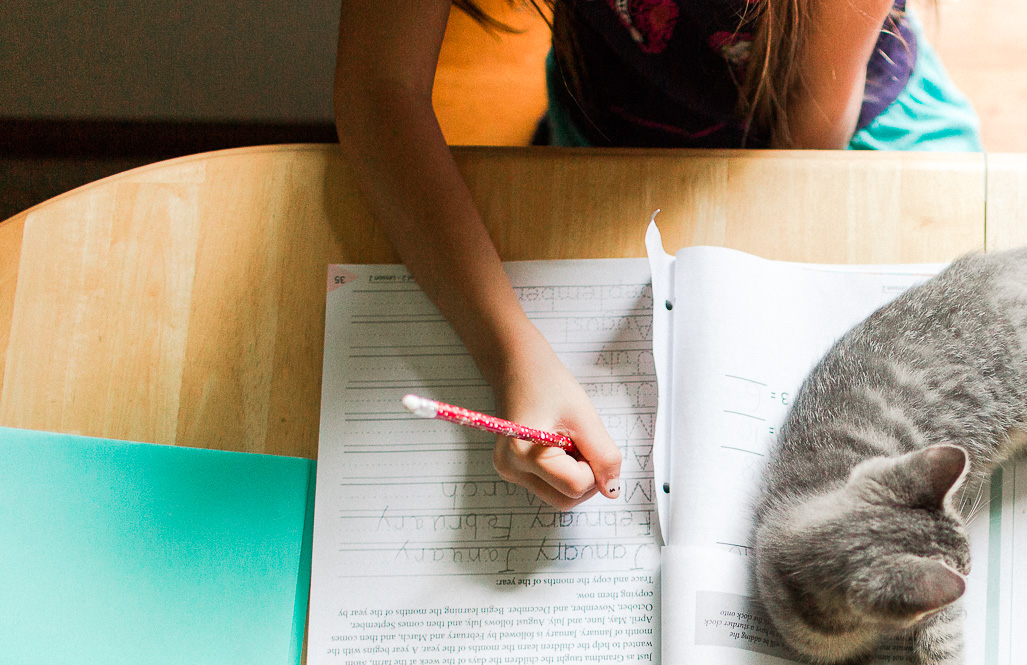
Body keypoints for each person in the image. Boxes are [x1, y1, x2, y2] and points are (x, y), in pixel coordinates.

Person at [334, 0, 981, 508]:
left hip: (833, 140)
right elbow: (378, 87)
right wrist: (513, 355)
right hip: (609, 134)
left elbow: (808, 132)